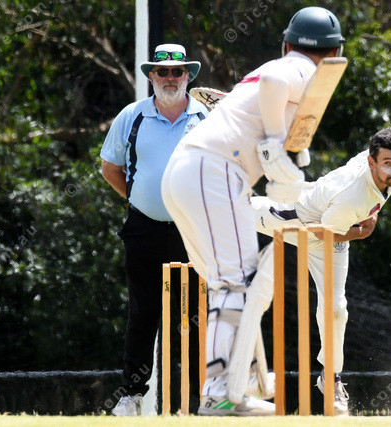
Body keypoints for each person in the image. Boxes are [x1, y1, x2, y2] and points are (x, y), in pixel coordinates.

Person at [251, 34, 391, 414]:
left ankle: (331, 379)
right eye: (387, 164)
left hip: (331, 218)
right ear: (371, 162)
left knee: (336, 309)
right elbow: (322, 235)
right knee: (236, 208)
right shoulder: (354, 195)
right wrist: (361, 232)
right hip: (307, 221)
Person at [160, 6, 345, 416]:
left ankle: (234, 385)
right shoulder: (301, 67)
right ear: (333, 52)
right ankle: (220, 393)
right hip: (214, 170)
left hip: (189, 171)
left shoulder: (271, 75)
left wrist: (284, 156)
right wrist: (277, 142)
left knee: (228, 284)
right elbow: (278, 81)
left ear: (286, 42)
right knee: (236, 283)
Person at [100, 43, 209, 416]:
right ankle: (131, 395)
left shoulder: (207, 117)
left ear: (188, 76)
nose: (170, 78)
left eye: (177, 71)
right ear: (151, 76)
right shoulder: (132, 116)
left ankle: (196, 400)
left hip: (191, 229)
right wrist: (140, 199)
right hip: (143, 228)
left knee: (192, 315)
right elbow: (110, 168)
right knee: (143, 312)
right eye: (163, 72)